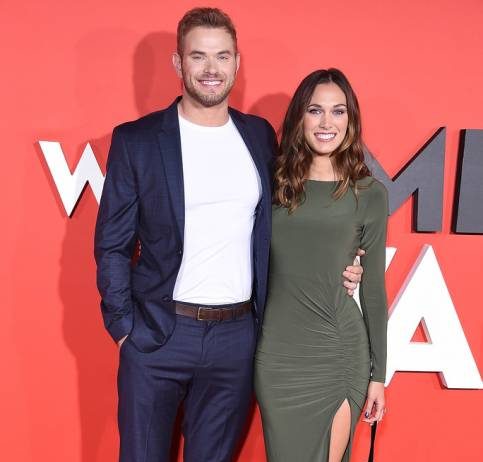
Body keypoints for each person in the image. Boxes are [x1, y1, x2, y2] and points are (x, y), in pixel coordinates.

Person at [94, 8, 363, 462]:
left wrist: (343, 262)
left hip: (236, 340)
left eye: (222, 56)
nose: (211, 69)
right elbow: (112, 244)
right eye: (198, 56)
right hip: (158, 334)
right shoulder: (137, 141)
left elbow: (292, 223)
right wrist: (124, 331)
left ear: (237, 63)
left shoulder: (258, 137)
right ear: (178, 63)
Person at [254, 68, 388, 462]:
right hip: (277, 357)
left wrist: (378, 376)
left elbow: (374, 291)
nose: (327, 122)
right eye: (315, 110)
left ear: (351, 120)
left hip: (338, 353)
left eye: (338, 111)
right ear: (300, 117)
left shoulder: (369, 194)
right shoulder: (271, 183)